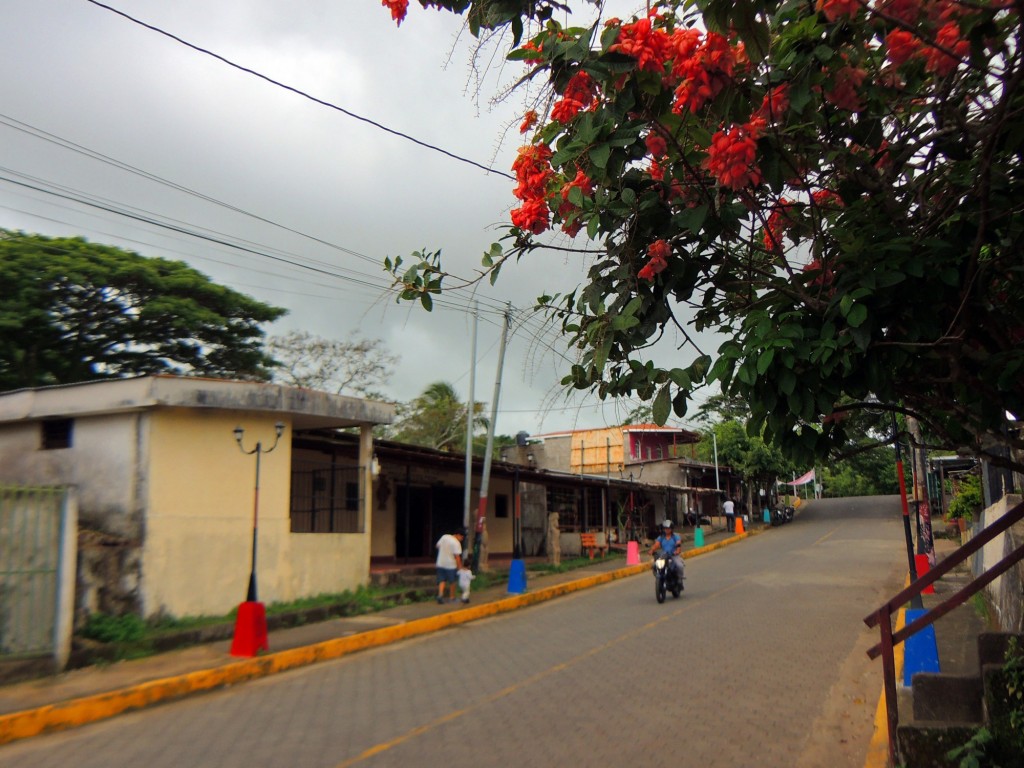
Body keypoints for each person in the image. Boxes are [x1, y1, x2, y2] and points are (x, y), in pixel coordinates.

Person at [435, 528, 464, 604]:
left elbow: (437, 546)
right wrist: (460, 567)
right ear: (458, 535)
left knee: (442, 580)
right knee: (452, 581)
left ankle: (440, 595)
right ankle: (452, 597)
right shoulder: (456, 543)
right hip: (450, 565)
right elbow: (457, 557)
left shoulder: (444, 537)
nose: (462, 539)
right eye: (462, 537)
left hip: (440, 563)